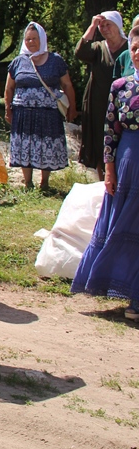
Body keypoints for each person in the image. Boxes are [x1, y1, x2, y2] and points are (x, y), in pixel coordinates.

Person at [72, 26, 139, 322]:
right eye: (135, 49)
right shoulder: (120, 87)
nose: (138, 54)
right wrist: (108, 169)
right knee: (125, 227)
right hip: (127, 167)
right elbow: (110, 132)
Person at [4, 22, 78, 189]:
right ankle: (28, 182)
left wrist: (72, 107)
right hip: (23, 112)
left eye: (34, 39)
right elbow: (9, 87)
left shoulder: (55, 60)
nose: (31, 42)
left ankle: (44, 183)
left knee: (46, 144)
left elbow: (67, 85)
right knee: (25, 144)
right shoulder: (18, 62)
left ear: (42, 39)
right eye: (28, 39)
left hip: (48, 112)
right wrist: (8, 109)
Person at [75, 12, 128, 179]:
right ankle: (102, 181)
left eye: (108, 25)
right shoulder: (99, 48)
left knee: (123, 140)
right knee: (100, 141)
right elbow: (80, 52)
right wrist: (92, 26)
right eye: (101, 26)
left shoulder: (129, 47)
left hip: (125, 103)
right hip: (99, 104)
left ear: (118, 26)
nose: (105, 29)